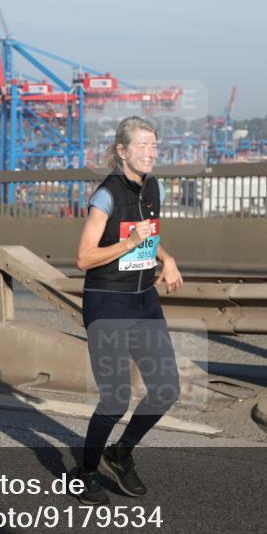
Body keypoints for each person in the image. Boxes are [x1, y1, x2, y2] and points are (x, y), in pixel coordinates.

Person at [72, 116, 184, 505]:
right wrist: (128, 242)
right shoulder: (105, 196)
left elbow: (148, 237)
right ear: (122, 151)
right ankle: (84, 472)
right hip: (107, 302)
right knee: (116, 398)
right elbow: (84, 259)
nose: (151, 152)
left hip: (143, 301)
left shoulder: (155, 187)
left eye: (154, 145)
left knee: (167, 389)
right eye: (142, 146)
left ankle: (119, 454)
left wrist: (166, 259)